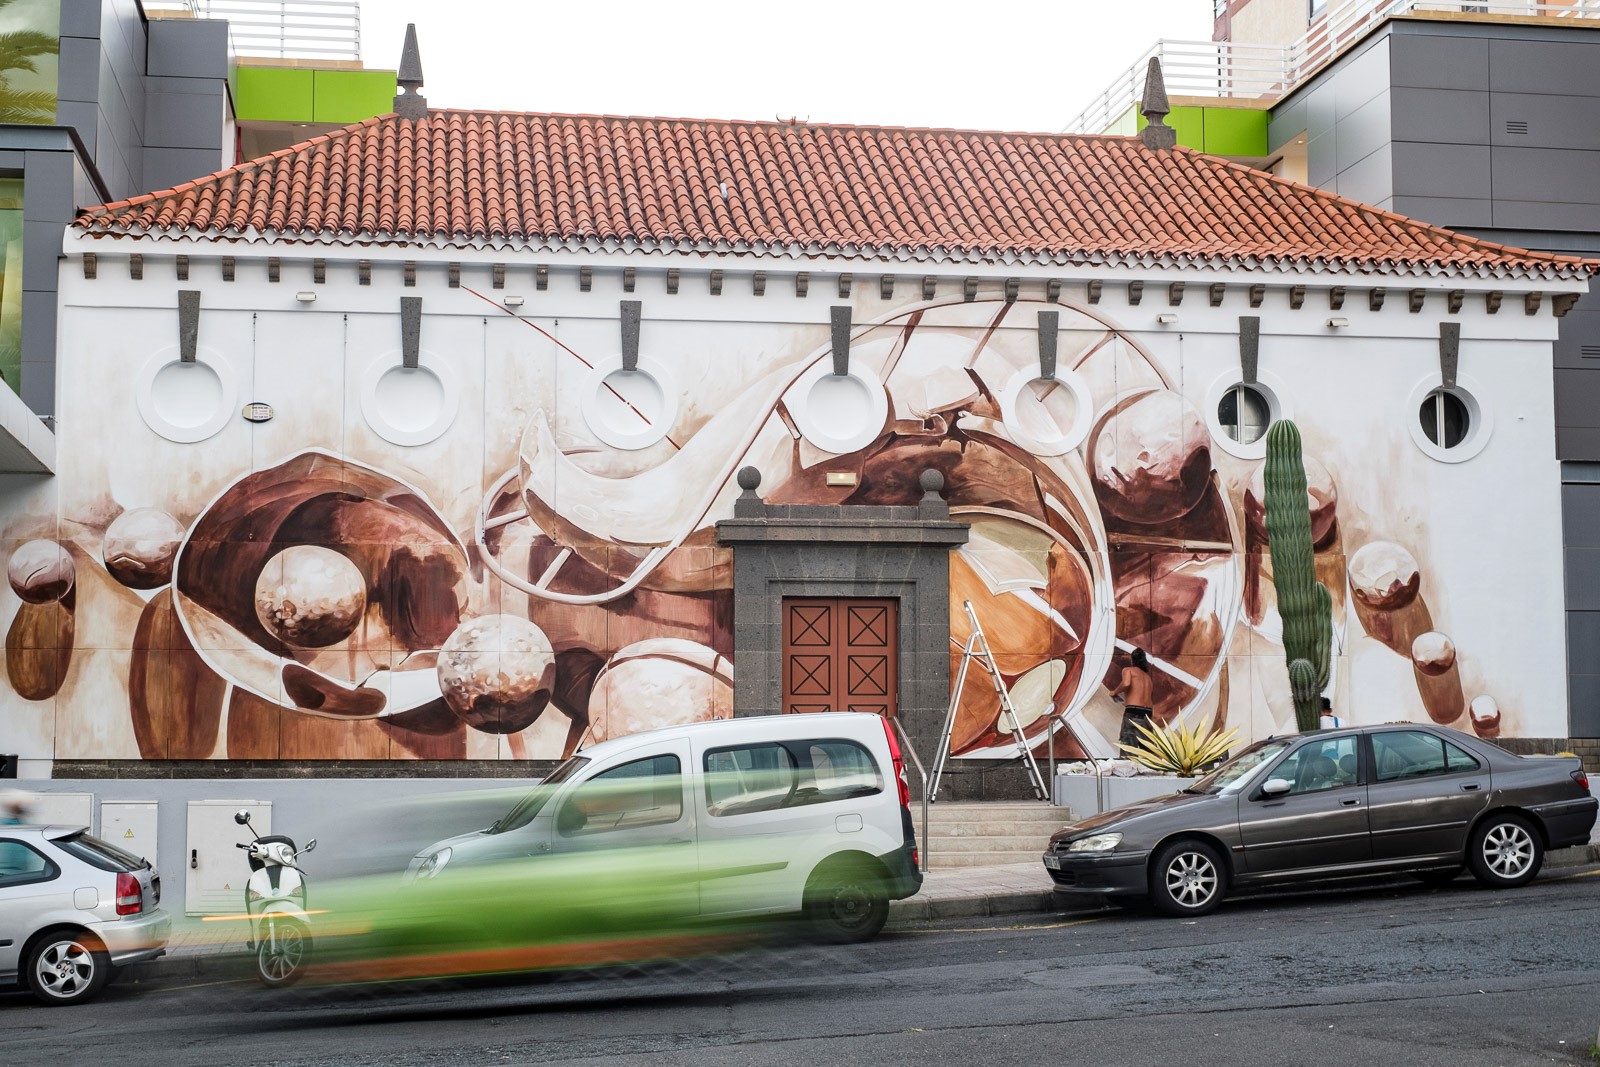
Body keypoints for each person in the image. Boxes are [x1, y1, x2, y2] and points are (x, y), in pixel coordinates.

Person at [1111, 647, 1155, 746]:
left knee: (1128, 749)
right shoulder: (1148, 678)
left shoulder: (1128, 670)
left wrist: (1114, 692)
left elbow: (1126, 683)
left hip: (1133, 712)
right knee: (1147, 750)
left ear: (1132, 660)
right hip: (1147, 714)